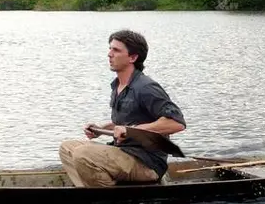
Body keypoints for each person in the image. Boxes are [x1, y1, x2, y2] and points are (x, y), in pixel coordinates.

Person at [59, 30, 186, 188]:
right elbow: (124, 123)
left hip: (146, 162)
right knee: (68, 148)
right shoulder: (118, 86)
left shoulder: (146, 87)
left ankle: (109, 201)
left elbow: (176, 123)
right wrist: (101, 128)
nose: (109, 54)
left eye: (116, 50)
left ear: (133, 57)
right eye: (110, 48)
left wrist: (131, 130)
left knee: (83, 155)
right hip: (124, 152)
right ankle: (88, 189)